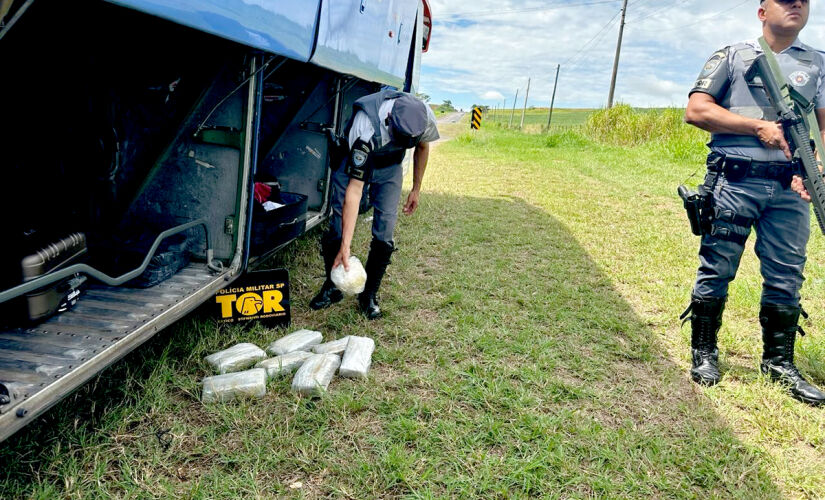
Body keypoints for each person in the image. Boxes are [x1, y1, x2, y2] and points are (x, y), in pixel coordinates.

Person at [682, 0, 825, 405]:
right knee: (718, 265)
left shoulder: (817, 63)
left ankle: (779, 363)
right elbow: (696, 110)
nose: (797, 3)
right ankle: (704, 350)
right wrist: (756, 126)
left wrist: (818, 171)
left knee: (787, 274)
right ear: (762, 12)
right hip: (736, 179)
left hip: (789, 188)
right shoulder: (733, 55)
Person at [309, 90, 439, 319]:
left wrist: (416, 188)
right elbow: (355, 191)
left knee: (386, 228)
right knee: (338, 225)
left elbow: (422, 147)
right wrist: (346, 246)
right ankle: (332, 285)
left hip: (389, 168)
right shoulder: (366, 127)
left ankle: (368, 295)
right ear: (389, 121)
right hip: (351, 164)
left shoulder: (424, 117)